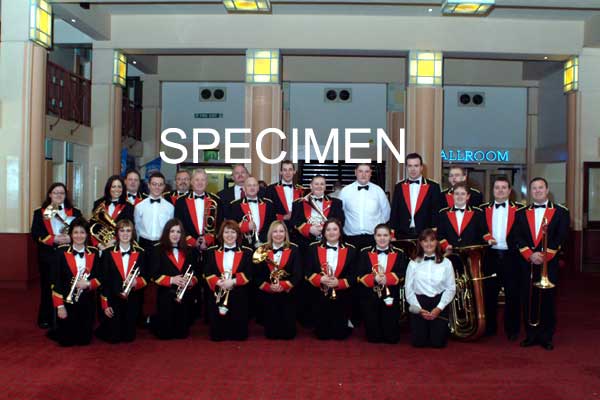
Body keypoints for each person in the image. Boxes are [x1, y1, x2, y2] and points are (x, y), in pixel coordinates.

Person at [513, 177, 569, 351]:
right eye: (534, 188)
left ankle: (546, 336)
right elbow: (517, 236)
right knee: (528, 298)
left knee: (548, 300)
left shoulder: (561, 212)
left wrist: (546, 255)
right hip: (528, 262)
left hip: (548, 263)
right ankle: (530, 335)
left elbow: (561, 236)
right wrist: (530, 255)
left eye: (540, 187)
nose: (537, 191)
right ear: (530, 191)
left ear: (547, 190)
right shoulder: (520, 212)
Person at [31, 183, 82, 330]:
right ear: (50, 195)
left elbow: (82, 230)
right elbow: (36, 233)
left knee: (68, 285)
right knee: (48, 287)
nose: (59, 195)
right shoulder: (40, 212)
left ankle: (69, 316)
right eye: (55, 192)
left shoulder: (75, 212)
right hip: (49, 254)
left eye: (62, 193)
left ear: (65, 196)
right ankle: (46, 317)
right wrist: (54, 239)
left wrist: (71, 238)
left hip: (69, 254)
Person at [479, 176, 523, 340]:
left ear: (510, 190)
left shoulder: (519, 209)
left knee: (513, 294)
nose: (500, 190)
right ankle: (490, 328)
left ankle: (512, 329)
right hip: (490, 256)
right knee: (489, 294)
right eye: (497, 187)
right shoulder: (483, 209)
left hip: (512, 257)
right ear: (493, 190)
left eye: (504, 187)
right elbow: (479, 230)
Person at [96, 219, 147, 343]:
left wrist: (137, 282)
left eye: (128, 231)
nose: (125, 234)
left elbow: (146, 277)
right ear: (117, 233)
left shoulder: (140, 252)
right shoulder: (107, 253)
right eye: (122, 230)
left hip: (132, 298)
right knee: (114, 338)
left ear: (132, 233)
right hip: (113, 298)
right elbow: (103, 281)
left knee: (129, 337)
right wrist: (105, 304)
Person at [52, 218, 101, 346]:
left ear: (87, 234)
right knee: (66, 342)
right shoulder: (61, 252)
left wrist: (88, 284)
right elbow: (55, 280)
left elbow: (100, 277)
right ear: (71, 234)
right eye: (76, 232)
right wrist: (60, 306)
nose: (79, 236)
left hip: (86, 301)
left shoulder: (94, 252)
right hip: (66, 301)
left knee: (84, 341)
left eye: (82, 232)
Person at [357, 224, 408, 343]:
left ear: (390, 237)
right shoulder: (364, 252)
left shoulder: (399, 253)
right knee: (373, 338)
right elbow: (358, 274)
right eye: (379, 235)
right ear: (374, 237)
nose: (382, 238)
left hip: (391, 295)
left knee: (391, 338)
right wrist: (374, 279)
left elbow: (403, 273)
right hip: (371, 295)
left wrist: (387, 278)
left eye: (385, 235)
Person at [405, 229, 456, 348]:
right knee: (419, 343)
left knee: (438, 343)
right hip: (419, 303)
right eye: (425, 241)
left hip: (438, 302)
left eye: (432, 240)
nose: (428, 244)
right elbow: (408, 289)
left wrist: (439, 308)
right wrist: (419, 309)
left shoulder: (446, 263)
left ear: (437, 242)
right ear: (420, 243)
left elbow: (451, 288)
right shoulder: (413, 263)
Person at [306, 219, 356, 340]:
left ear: (340, 232)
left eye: (335, 229)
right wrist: (320, 279)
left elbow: (354, 274)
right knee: (322, 335)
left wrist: (339, 283)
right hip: (320, 293)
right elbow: (307, 271)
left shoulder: (351, 250)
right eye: (328, 229)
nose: (331, 232)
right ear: (323, 232)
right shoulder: (313, 248)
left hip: (342, 294)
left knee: (340, 335)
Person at [204, 220, 253, 341]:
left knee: (239, 335)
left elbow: (249, 273)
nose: (229, 235)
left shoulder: (247, 251)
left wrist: (233, 282)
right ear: (221, 234)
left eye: (233, 232)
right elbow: (207, 272)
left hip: (238, 293)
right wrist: (219, 282)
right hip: (218, 292)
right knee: (217, 335)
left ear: (238, 234)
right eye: (226, 232)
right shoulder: (211, 251)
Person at [151, 219, 199, 339]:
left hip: (185, 296)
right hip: (166, 294)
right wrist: (171, 280)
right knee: (165, 335)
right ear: (167, 233)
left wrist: (191, 281)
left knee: (182, 334)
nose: (175, 235)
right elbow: (153, 274)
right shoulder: (158, 250)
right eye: (172, 231)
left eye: (178, 232)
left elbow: (196, 272)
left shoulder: (190, 250)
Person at [254, 221, 302, 339]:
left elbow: (298, 274)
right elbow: (256, 275)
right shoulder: (262, 249)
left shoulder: (294, 249)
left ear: (286, 233)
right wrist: (269, 287)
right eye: (275, 231)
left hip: (288, 293)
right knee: (271, 334)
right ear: (270, 234)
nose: (278, 234)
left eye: (281, 231)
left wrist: (284, 285)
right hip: (269, 294)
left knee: (288, 334)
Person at [338, 163, 390, 250]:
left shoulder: (378, 191)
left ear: (371, 173)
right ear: (355, 172)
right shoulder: (345, 191)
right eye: (360, 171)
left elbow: (386, 214)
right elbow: (339, 214)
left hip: (373, 238)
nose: (363, 175)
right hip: (351, 238)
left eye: (367, 171)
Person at [389, 153, 441, 239]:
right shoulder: (399, 186)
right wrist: (392, 234)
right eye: (410, 166)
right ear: (406, 167)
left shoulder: (433, 186)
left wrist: (434, 234)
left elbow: (435, 213)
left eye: (416, 166)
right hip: (402, 234)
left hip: (425, 235)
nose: (413, 169)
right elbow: (394, 211)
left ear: (421, 167)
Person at [290, 175, 345, 249]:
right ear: (311, 186)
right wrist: (309, 229)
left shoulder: (336, 203)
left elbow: (340, 221)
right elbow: (294, 222)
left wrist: (324, 228)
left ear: (325, 187)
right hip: (304, 244)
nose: (319, 186)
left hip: (327, 242)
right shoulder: (298, 203)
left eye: (322, 184)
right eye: (316, 184)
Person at [437, 182, 491, 253]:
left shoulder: (478, 213)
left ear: (468, 196)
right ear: (453, 196)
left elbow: (484, 232)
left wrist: (489, 239)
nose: (459, 196)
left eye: (463, 194)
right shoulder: (443, 213)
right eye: (457, 194)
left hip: (471, 254)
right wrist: (445, 245)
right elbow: (440, 235)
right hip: (450, 254)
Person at [228, 176, 276, 248]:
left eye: (254, 185)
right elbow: (230, 227)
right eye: (249, 185)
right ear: (244, 188)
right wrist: (246, 227)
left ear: (258, 188)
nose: (252, 188)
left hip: (266, 244)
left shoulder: (269, 204)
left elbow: (274, 225)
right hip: (244, 245)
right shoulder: (235, 205)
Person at [91, 175, 135, 249]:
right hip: (100, 246)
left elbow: (130, 228)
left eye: (119, 187)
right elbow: (92, 225)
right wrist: (99, 244)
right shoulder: (98, 203)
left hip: (120, 246)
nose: (116, 189)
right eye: (113, 187)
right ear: (109, 188)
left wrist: (113, 241)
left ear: (123, 189)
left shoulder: (129, 207)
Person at [265, 160, 304, 228]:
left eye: (290, 170)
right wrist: (283, 217)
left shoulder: (301, 190)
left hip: (297, 229)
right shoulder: (271, 189)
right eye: (285, 170)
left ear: (294, 172)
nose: (287, 173)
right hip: (278, 227)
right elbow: (267, 212)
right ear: (280, 172)